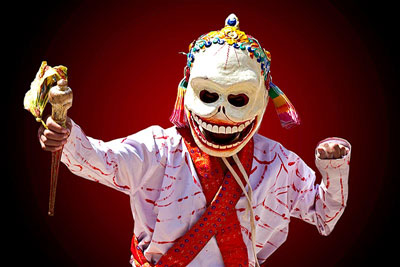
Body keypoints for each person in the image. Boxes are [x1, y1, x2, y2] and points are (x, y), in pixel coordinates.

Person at [37, 14, 351, 267]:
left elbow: (323, 214)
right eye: (208, 95)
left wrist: (334, 168)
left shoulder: (279, 164)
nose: (221, 113)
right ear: (187, 92)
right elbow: (99, 159)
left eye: (239, 97)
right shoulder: (158, 150)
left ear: (263, 98)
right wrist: (65, 137)